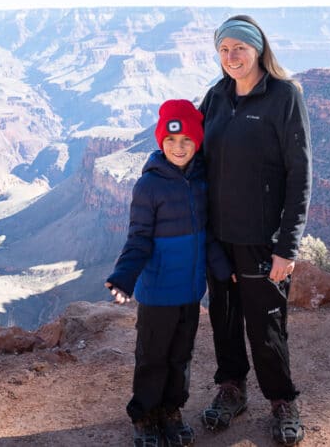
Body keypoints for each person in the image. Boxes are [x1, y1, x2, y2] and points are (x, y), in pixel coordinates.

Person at [198, 15, 312, 446]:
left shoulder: (284, 97)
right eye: (223, 50)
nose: (231, 58)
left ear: (258, 49)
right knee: (224, 319)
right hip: (218, 234)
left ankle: (282, 400)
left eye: (239, 48)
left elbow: (300, 174)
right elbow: (192, 152)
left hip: (262, 238)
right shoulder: (217, 96)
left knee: (266, 324)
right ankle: (232, 388)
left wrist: (288, 245)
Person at [105, 99, 232, 447]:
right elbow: (138, 240)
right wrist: (123, 277)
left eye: (187, 141)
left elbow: (206, 236)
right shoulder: (149, 186)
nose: (179, 147)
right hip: (158, 293)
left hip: (190, 292)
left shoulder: (200, 182)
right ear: (161, 141)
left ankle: (171, 411)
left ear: (197, 142)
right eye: (172, 141)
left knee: (181, 356)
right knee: (152, 357)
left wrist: (223, 269)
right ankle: (145, 416)